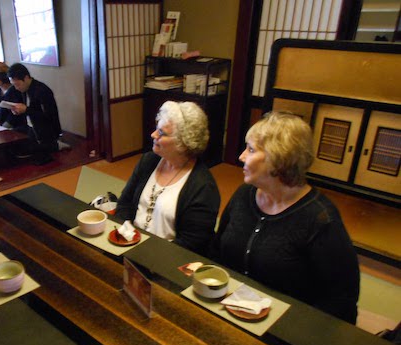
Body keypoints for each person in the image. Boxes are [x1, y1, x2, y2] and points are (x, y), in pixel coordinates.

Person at [208, 111, 360, 324]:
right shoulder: (244, 194)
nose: (241, 156)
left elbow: (341, 300)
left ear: (278, 159)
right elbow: (217, 250)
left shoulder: (320, 219)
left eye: (250, 149)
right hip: (229, 313)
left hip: (285, 327)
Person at [116, 101, 221, 256]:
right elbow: (124, 203)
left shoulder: (203, 187)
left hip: (167, 260)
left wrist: (147, 253)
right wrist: (125, 234)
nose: (153, 135)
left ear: (184, 143)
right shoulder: (148, 161)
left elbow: (193, 244)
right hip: (128, 246)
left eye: (162, 133)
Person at [7, 63, 62, 164]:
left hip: (45, 131)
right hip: (31, 128)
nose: (16, 88)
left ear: (26, 77)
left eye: (17, 84)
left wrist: (26, 110)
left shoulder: (43, 90)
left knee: (36, 159)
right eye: (14, 85)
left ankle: (56, 145)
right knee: (11, 141)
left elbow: (49, 117)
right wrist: (18, 110)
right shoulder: (24, 89)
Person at [0, 61, 23, 128]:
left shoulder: (15, 91)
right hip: (0, 125)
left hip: (14, 126)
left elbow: (14, 115)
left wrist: (4, 127)